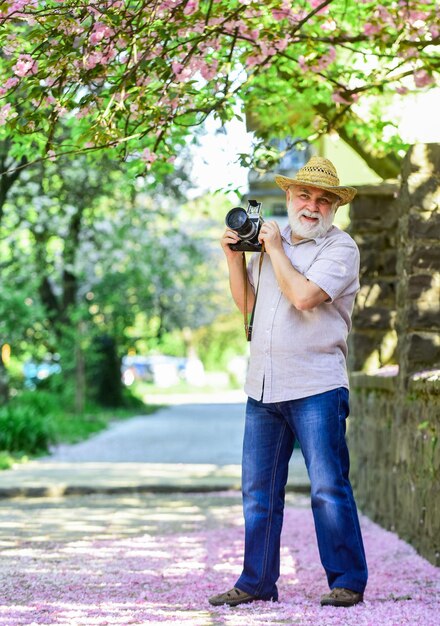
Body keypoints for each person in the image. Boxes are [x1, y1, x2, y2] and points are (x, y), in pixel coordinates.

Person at [209, 156, 368, 609]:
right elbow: (249, 309)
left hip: (316, 385)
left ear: (335, 206)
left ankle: (347, 581)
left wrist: (275, 249)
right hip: (263, 385)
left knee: (327, 486)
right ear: (289, 197)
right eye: (304, 195)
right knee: (258, 492)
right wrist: (233, 257)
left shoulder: (341, 249)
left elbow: (301, 297)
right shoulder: (266, 243)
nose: (312, 205)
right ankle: (257, 581)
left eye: (323, 199)